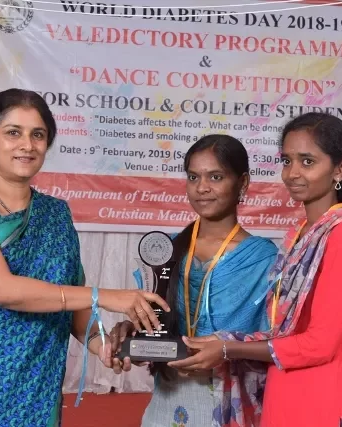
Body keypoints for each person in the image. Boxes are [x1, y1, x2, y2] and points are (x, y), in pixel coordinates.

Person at [0, 88, 169, 426]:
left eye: (38, 135)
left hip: (36, 384)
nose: (27, 145)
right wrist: (104, 296)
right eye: (13, 132)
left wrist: (104, 344)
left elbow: (75, 308)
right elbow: (1, 290)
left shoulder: (56, 213)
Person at [168, 113, 342, 427]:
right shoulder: (301, 235)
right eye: (287, 161)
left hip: (323, 400)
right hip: (282, 394)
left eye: (307, 162)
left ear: (340, 169)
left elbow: (321, 345)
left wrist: (228, 348)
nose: (293, 173)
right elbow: (283, 333)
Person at [108, 134, 278, 427]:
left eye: (216, 177)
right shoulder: (166, 249)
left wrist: (224, 348)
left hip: (233, 405)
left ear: (243, 182)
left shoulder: (262, 258)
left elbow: (277, 341)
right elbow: (156, 327)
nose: (202, 188)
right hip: (168, 402)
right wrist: (132, 335)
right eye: (193, 177)